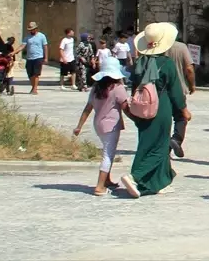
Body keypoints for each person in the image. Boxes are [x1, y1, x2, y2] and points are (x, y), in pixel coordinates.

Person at [118, 22, 190, 199]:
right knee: (161, 145)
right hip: (161, 106)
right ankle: (135, 176)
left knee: (146, 143)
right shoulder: (167, 64)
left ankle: (159, 181)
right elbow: (175, 92)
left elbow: (134, 86)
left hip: (141, 105)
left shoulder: (139, 63)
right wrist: (182, 109)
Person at [73, 57, 129, 196]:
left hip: (98, 124)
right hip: (111, 126)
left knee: (106, 151)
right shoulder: (118, 88)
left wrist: (79, 126)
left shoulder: (96, 88)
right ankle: (99, 186)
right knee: (108, 155)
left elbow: (88, 108)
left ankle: (107, 180)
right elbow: (126, 107)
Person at [167, 37, 196, 158]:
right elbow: (189, 68)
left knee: (163, 119)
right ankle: (176, 139)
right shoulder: (181, 47)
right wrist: (192, 85)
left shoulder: (156, 48)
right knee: (181, 117)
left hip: (160, 89)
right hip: (178, 88)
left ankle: (164, 148)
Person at [21, 22, 48, 94]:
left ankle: (35, 89)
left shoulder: (42, 36)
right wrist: (14, 52)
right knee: (30, 74)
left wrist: (46, 58)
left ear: (36, 29)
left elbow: (45, 47)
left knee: (36, 74)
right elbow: (22, 46)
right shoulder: (27, 37)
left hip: (38, 57)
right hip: (29, 58)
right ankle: (33, 87)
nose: (31, 31)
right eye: (30, 29)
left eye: (32, 29)